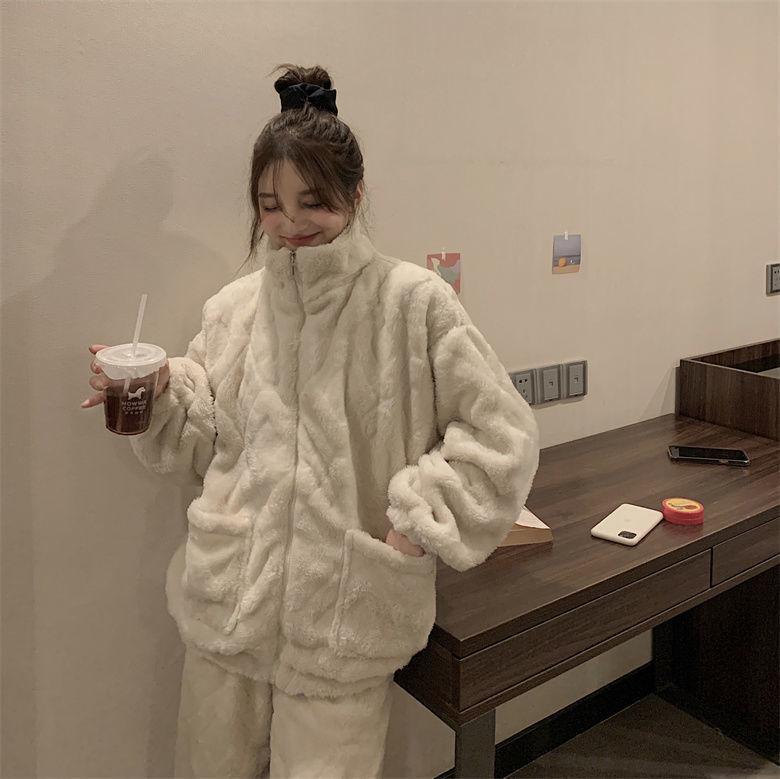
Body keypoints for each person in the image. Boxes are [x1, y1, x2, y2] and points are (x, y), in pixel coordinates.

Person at [83, 63, 540, 779]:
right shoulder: (233, 310)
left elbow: (501, 435)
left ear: (355, 195)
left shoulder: (412, 303)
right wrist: (162, 393)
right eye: (270, 206)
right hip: (228, 607)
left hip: (345, 617)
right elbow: (204, 444)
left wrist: (415, 523)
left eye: (312, 202)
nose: (290, 225)